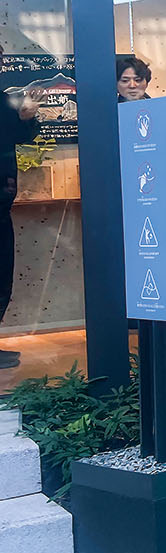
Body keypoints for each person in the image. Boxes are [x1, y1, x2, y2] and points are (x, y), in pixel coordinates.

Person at [0, 49, 42, 368]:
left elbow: (18, 137)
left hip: (2, 201)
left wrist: (27, 118)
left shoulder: (5, 100)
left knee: (3, 275)